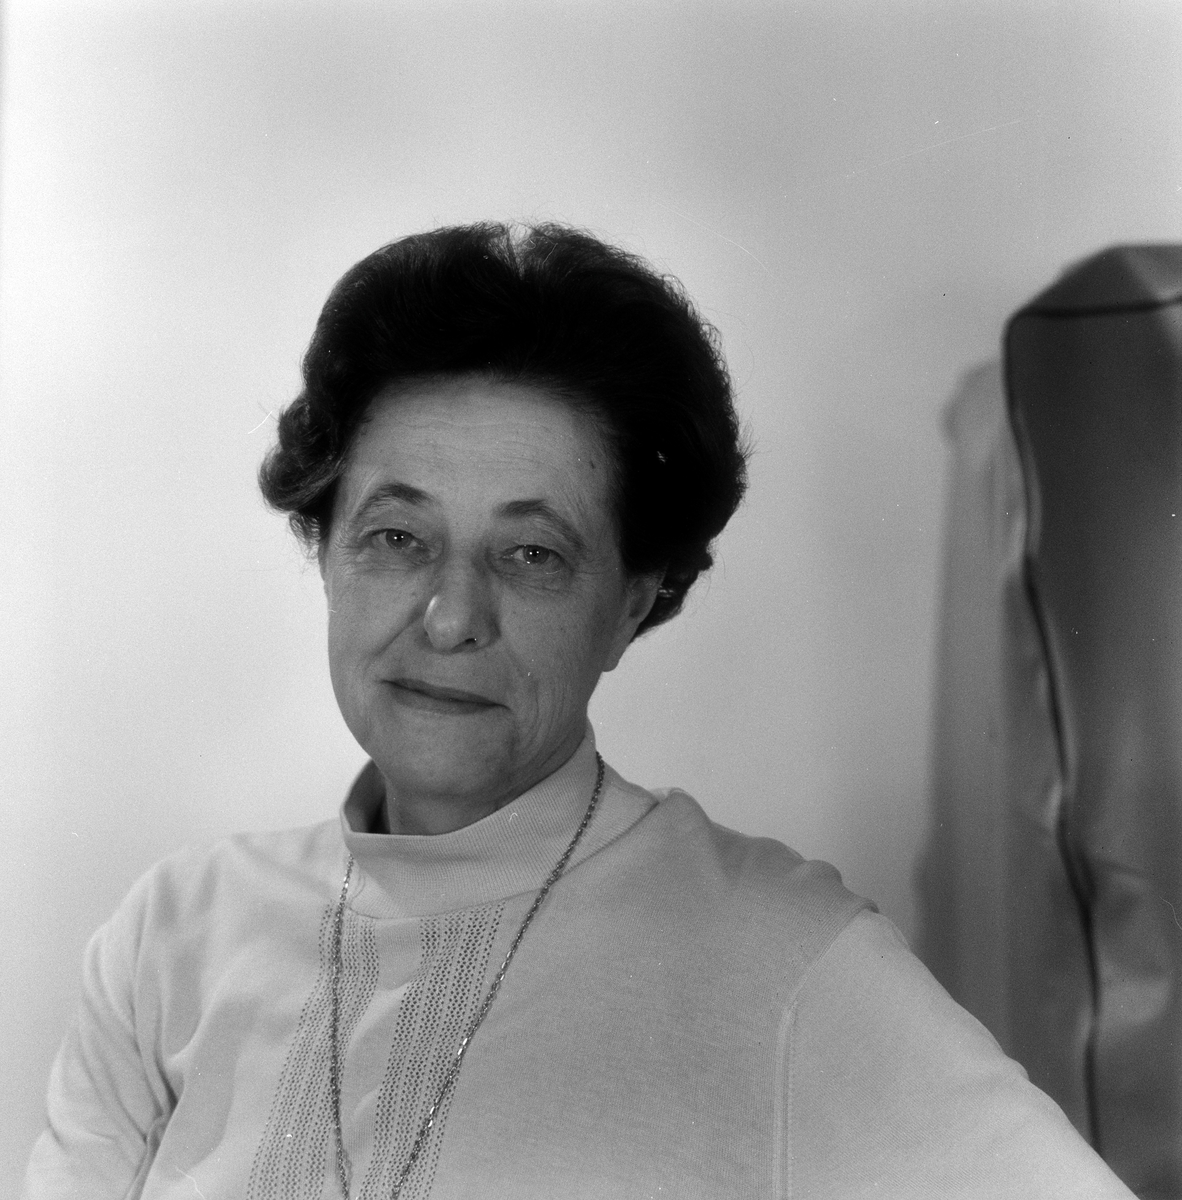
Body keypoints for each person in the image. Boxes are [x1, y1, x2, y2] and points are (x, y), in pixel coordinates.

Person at [24, 223, 1134, 1199]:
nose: (451, 617)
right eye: (397, 537)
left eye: (531, 554)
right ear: (326, 552)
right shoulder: (171, 939)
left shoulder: (785, 957)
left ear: (631, 603)